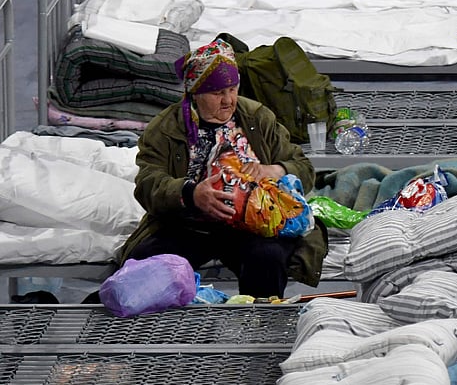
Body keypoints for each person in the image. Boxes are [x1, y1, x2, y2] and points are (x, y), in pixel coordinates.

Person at [118, 39, 327, 298]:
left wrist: (274, 170)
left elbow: (304, 168)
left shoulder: (257, 118)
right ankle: (166, 333)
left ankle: (258, 326)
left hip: (252, 225)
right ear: (195, 92)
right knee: (147, 263)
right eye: (218, 93)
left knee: (267, 257)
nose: (228, 100)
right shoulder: (166, 128)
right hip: (188, 225)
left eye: (233, 89)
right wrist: (191, 194)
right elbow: (148, 184)